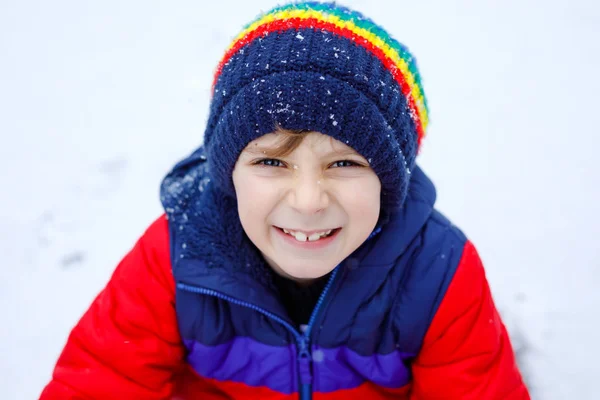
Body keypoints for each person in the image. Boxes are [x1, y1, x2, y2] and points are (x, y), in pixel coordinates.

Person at [40, 2, 530, 399]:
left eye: (345, 164)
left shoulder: (436, 271)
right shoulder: (176, 258)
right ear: (227, 173)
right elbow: (101, 380)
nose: (309, 200)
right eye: (272, 163)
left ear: (389, 179)